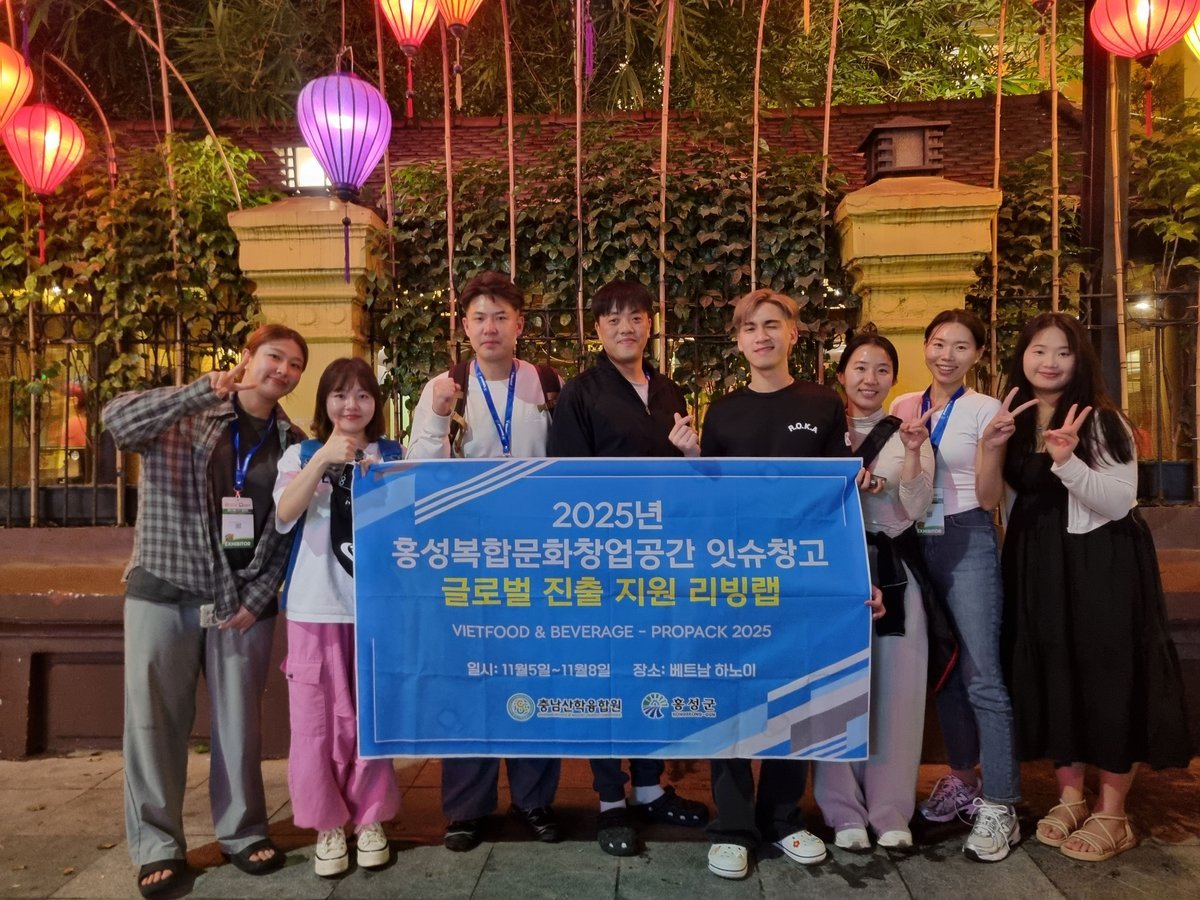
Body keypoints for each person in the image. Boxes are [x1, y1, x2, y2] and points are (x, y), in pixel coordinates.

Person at [680, 289, 879, 881]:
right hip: (734, 577)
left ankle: (784, 818)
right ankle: (733, 826)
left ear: (793, 333)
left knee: (799, 693)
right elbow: (711, 501)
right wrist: (692, 459)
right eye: (750, 327)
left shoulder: (822, 404)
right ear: (738, 340)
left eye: (772, 324)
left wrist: (854, 577)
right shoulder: (722, 412)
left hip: (802, 576)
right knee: (733, 695)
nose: (761, 336)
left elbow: (839, 501)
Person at [102, 324, 308, 897]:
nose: (283, 371)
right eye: (274, 357)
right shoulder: (189, 415)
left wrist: (259, 596)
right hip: (164, 588)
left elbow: (288, 528)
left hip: (240, 604)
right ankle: (157, 846)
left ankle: (242, 831)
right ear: (247, 357)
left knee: (239, 723)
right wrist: (199, 391)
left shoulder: (291, 441)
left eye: (295, 364)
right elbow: (118, 420)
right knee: (152, 723)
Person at [997, 313, 1192, 861]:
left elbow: (1118, 500)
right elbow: (1007, 498)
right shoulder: (1016, 417)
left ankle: (1113, 812)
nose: (1050, 362)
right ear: (1022, 357)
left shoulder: (1102, 420)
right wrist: (995, 446)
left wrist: (1067, 462)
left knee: (1110, 674)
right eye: (1039, 350)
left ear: (1080, 359)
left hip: (1101, 563)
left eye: (1063, 352)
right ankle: (1070, 797)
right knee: (1057, 672)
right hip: (1039, 564)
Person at [549, 278, 710, 856]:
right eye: (613, 318)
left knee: (650, 673)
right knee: (603, 676)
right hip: (602, 562)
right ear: (597, 328)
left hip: (660, 559)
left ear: (650, 324)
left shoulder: (669, 390)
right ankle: (610, 801)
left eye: (636, 317)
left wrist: (692, 455)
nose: (626, 327)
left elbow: (687, 481)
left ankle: (648, 787)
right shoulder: (580, 393)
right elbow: (566, 486)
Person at [408, 272, 565, 852]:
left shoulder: (547, 383)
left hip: (537, 559)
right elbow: (420, 474)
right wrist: (436, 418)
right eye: (479, 317)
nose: (490, 327)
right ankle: (467, 809)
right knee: (467, 678)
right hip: (469, 560)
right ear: (464, 326)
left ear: (520, 324)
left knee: (535, 675)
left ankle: (535, 800)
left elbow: (569, 464)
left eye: (501, 316)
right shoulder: (443, 386)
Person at [891, 308, 1026, 863]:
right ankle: (963, 780)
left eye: (961, 346)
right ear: (925, 346)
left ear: (978, 355)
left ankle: (1002, 802)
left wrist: (992, 446)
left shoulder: (987, 410)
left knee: (981, 672)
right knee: (944, 668)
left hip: (966, 537)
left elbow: (991, 499)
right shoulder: (904, 405)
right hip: (914, 538)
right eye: (939, 343)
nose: (947, 355)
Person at [273, 357, 403, 876]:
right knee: (315, 722)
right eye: (340, 395)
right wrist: (323, 460)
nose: (352, 405)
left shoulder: (393, 455)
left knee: (372, 716)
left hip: (376, 609)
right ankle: (327, 826)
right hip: (315, 606)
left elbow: (409, 526)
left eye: (363, 395)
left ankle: (370, 819)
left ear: (376, 403)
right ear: (324, 401)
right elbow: (285, 515)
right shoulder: (301, 454)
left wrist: (384, 483)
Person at [813, 333, 935, 853]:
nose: (869, 379)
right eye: (860, 368)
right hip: (834, 570)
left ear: (893, 379)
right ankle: (841, 808)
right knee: (831, 692)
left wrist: (912, 455)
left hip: (893, 567)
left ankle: (890, 810)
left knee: (897, 692)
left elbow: (918, 507)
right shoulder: (819, 429)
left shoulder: (909, 434)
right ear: (841, 374)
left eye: (882, 369)